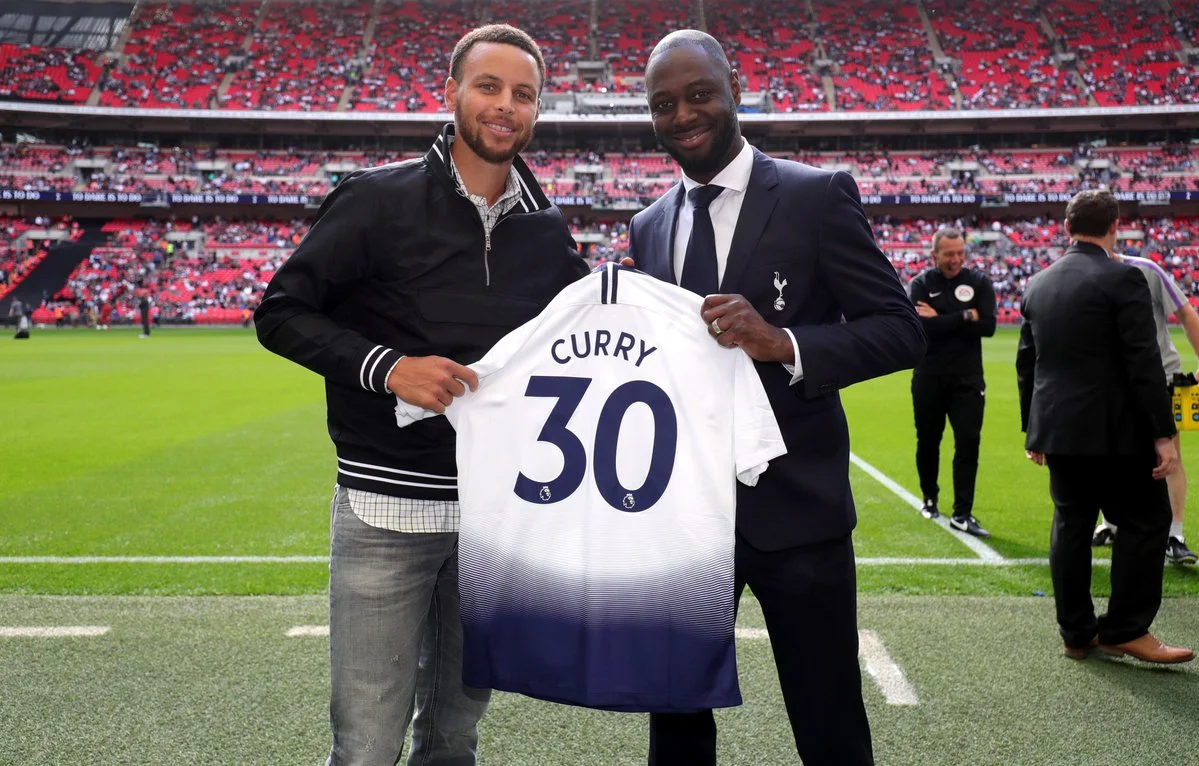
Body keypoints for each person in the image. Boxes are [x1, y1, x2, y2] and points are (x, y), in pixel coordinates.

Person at [254, 24, 589, 765]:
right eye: (489, 87)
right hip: (386, 513)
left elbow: (578, 351)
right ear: (452, 94)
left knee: (453, 738)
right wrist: (388, 366)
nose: (506, 106)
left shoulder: (550, 231)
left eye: (523, 94)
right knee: (367, 745)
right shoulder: (376, 200)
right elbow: (279, 313)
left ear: (538, 109)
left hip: (497, 520)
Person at [628, 30, 926, 765]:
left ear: (733, 86)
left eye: (698, 93)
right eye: (663, 104)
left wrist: (783, 343)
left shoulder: (814, 195)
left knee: (826, 718)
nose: (683, 115)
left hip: (799, 512)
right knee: (675, 719)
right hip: (685, 517)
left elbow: (899, 331)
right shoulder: (646, 226)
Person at [1017, 189, 1193, 664]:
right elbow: (1143, 360)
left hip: (1059, 429)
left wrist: (1032, 431)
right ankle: (1126, 629)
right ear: (1114, 226)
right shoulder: (1124, 278)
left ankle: (1076, 633)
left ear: (1066, 226)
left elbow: (1028, 364)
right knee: (1147, 519)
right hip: (1119, 431)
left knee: (1071, 524)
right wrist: (1163, 434)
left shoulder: (1037, 283)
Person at [1091, 250, 1198, 564]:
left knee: (1169, 454)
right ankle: (1111, 523)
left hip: (1160, 375)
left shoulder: (1147, 269)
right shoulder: (1083, 269)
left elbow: (1186, 312)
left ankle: (1175, 534)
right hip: (1109, 382)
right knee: (1108, 457)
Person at [907, 227, 996, 537]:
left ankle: (963, 513)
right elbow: (920, 326)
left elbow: (989, 326)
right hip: (929, 376)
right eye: (949, 254)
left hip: (968, 379)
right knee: (928, 441)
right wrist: (965, 315)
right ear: (935, 255)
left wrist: (943, 317)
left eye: (960, 253)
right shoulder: (920, 284)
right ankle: (929, 498)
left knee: (968, 443)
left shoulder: (979, 282)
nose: (956, 259)